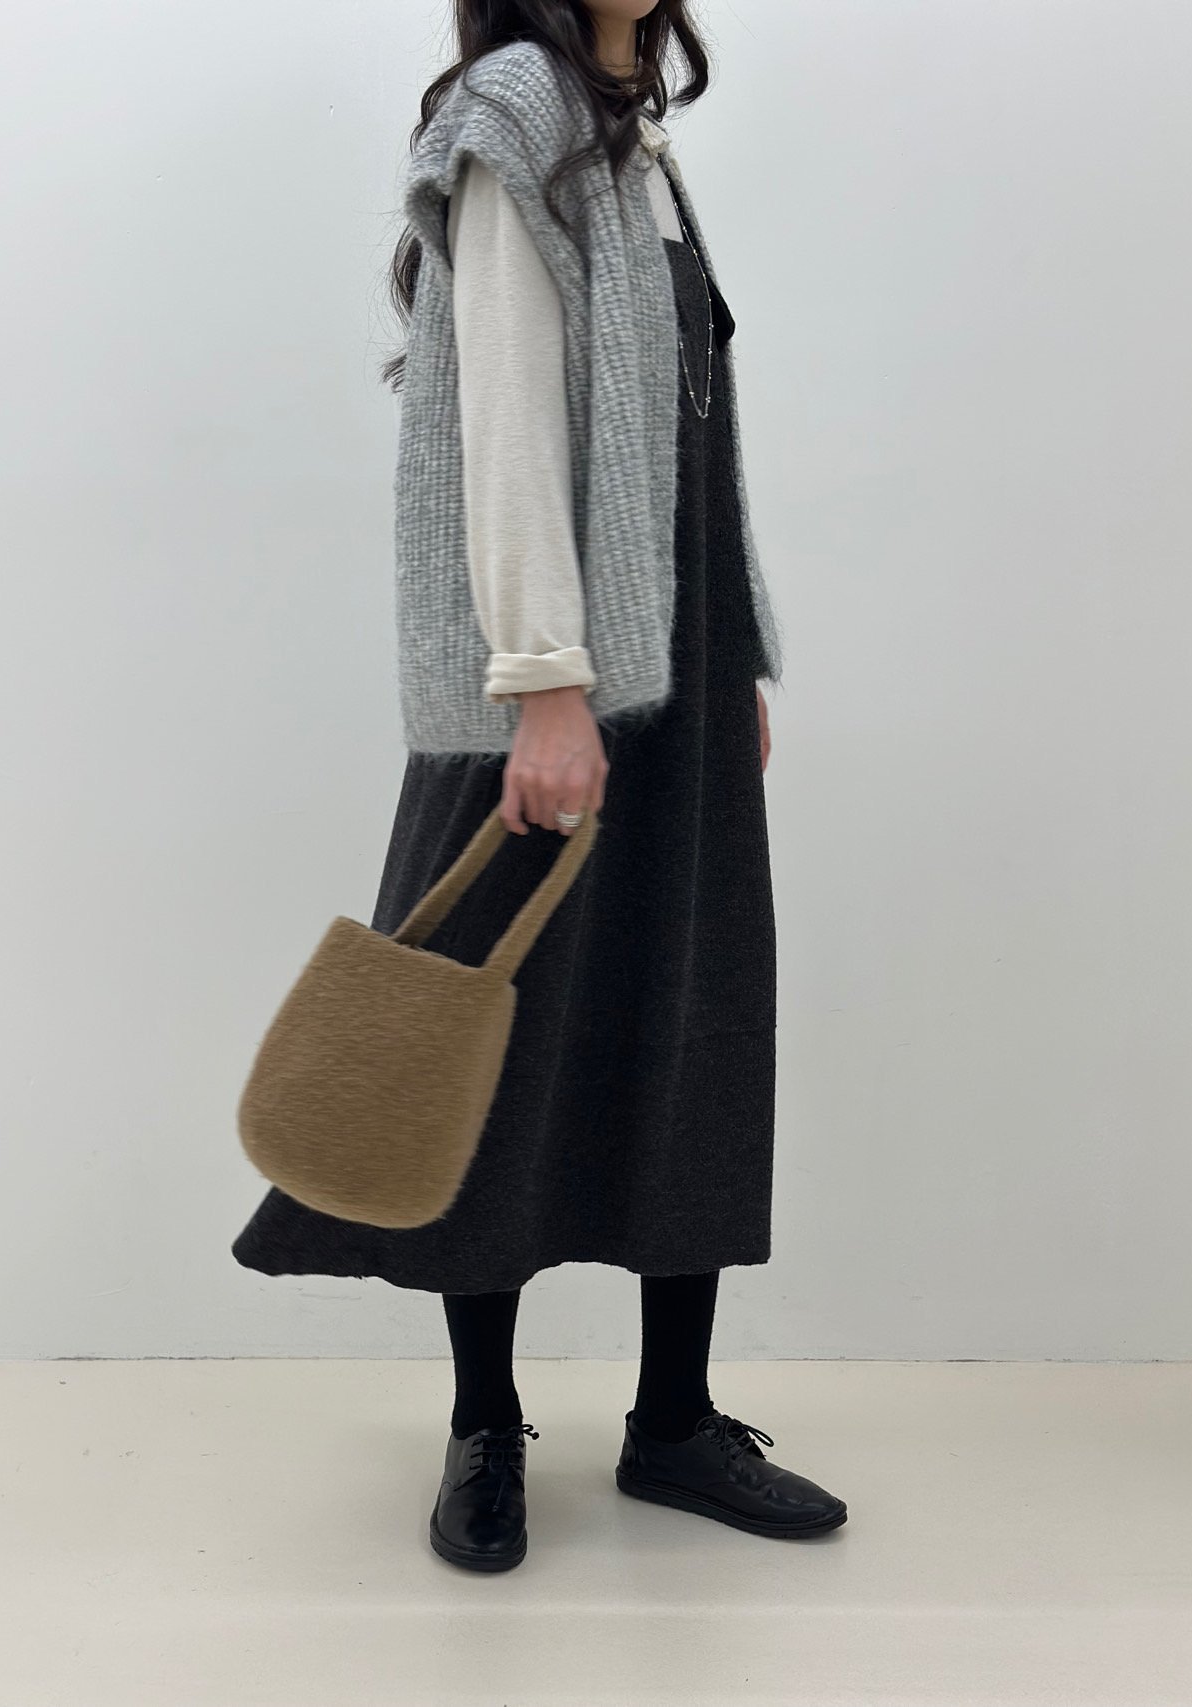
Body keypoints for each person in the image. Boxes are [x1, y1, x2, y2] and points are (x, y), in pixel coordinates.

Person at [231, 0, 848, 1571]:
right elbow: (501, 416)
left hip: (677, 660)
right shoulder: (516, 114)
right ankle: (485, 1425)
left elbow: (692, 430)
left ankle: (675, 1423)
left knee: (689, 1021)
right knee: (481, 1040)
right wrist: (546, 681)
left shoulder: (637, 142)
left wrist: (737, 653)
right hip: (557, 673)